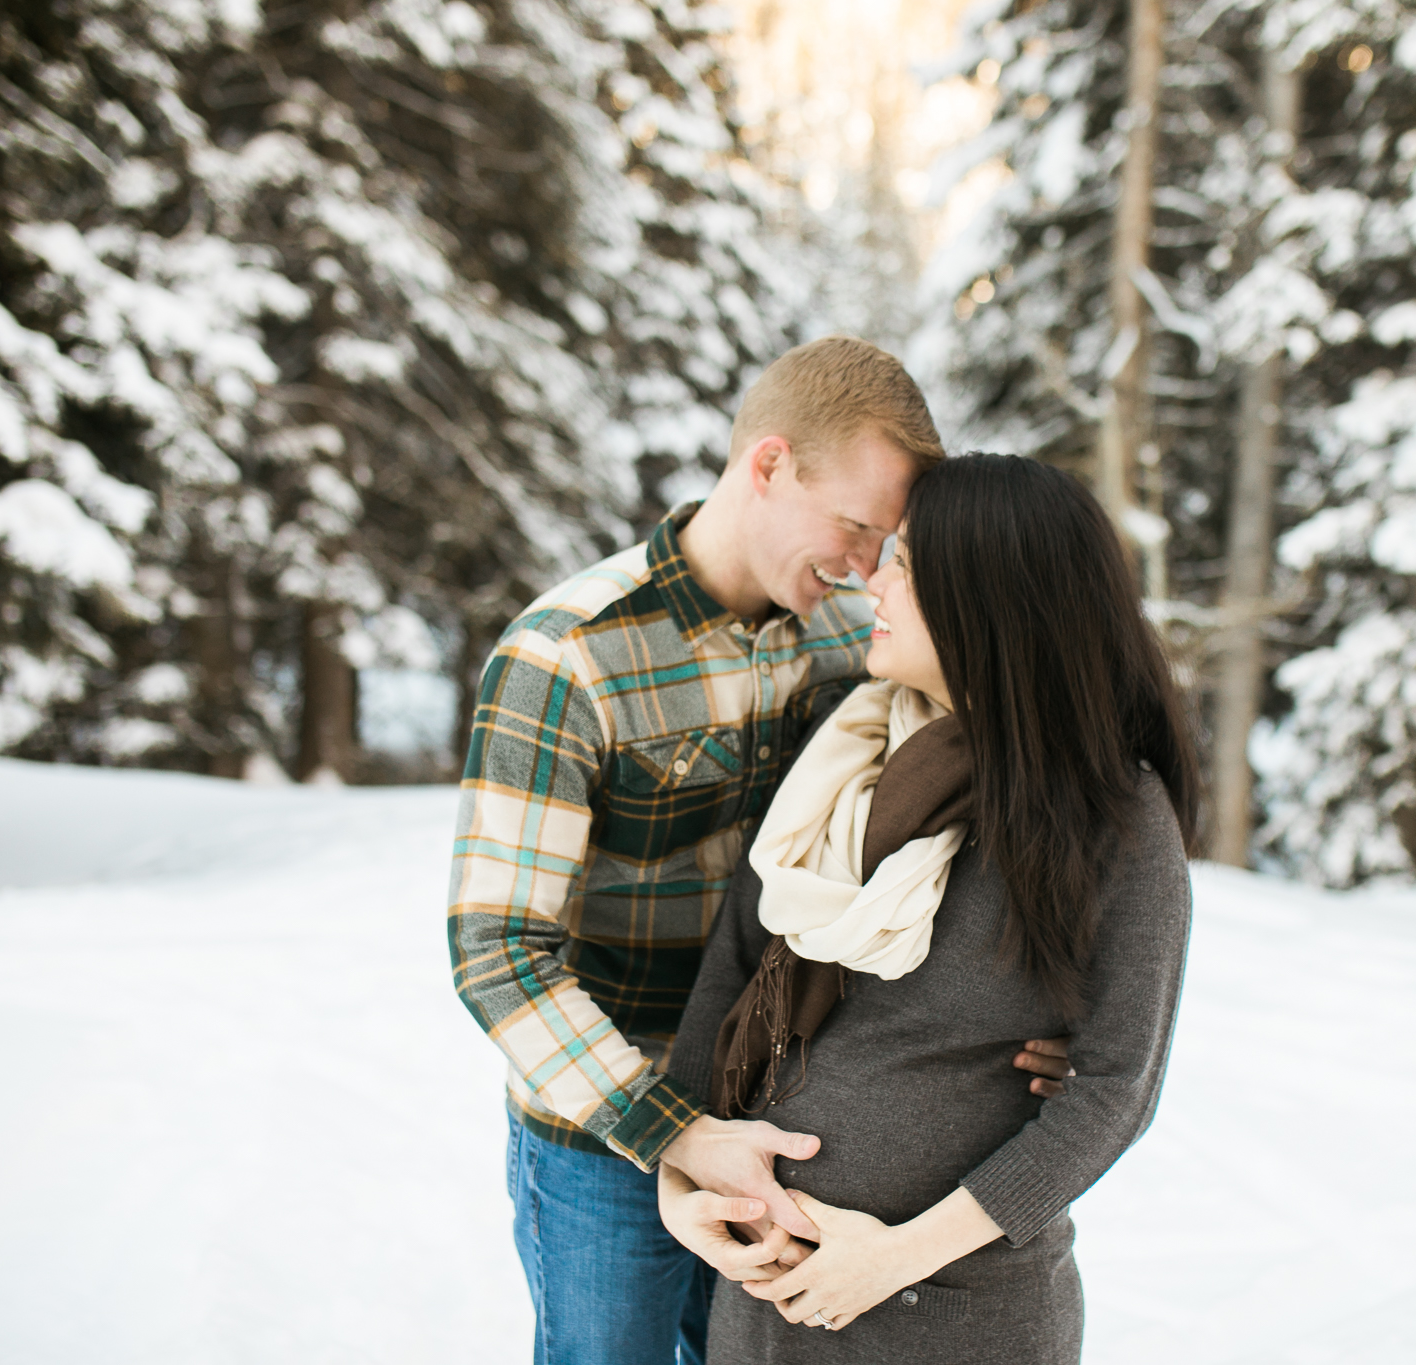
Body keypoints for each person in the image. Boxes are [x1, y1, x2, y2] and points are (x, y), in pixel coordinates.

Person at [447, 339, 1076, 1365]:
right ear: (770, 465)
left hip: (792, 1135)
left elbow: (978, 831)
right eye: (859, 528)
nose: (868, 569)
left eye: (890, 544)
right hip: (607, 1141)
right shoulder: (566, 658)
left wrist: (1055, 1025)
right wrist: (675, 1134)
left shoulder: (853, 649)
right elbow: (496, 953)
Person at [657, 452, 1201, 1364]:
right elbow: (733, 976)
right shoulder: (845, 759)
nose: (872, 578)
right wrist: (687, 1180)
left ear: (988, 596)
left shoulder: (1109, 811)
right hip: (767, 1301)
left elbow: (1115, 1087)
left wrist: (894, 1258)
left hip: (955, 1315)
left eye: (905, 564)